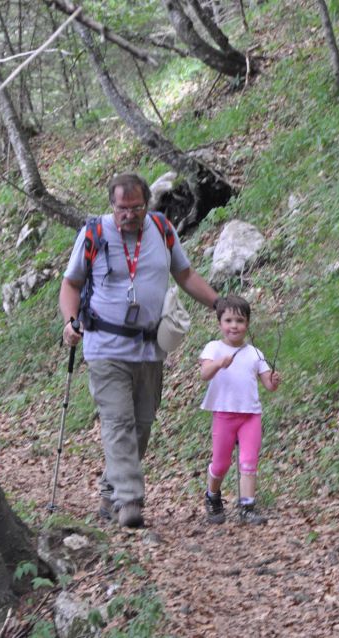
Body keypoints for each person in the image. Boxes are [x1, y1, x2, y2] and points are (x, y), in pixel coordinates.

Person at [59, 172, 219, 528]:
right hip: (105, 347)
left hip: (150, 347)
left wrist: (218, 303)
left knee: (142, 425)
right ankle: (130, 500)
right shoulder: (94, 234)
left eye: (136, 208)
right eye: (122, 209)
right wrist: (71, 321)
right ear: (111, 206)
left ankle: (108, 493)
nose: (129, 215)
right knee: (118, 421)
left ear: (146, 204)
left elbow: (186, 275)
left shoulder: (162, 229)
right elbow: (71, 284)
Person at [199, 294, 280, 525]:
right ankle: (212, 495)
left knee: (249, 460)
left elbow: (269, 385)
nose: (234, 325)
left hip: (250, 415)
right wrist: (218, 364)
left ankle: (247, 507)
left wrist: (274, 380)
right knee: (221, 463)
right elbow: (204, 374)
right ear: (220, 323)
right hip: (224, 414)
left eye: (240, 321)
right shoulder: (214, 348)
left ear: (247, 324)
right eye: (229, 320)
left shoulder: (254, 353)